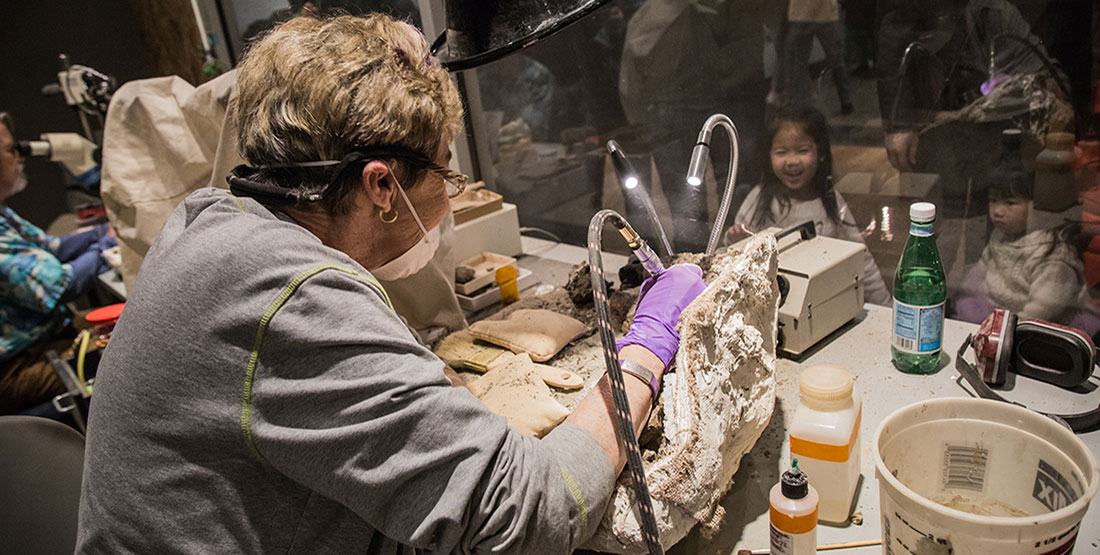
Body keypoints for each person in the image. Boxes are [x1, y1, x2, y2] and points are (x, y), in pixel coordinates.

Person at [77, 14, 707, 553]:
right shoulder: (289, 299)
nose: (450, 193)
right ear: (381, 186)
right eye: (444, 172)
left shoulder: (207, 218)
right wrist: (643, 352)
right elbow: (538, 513)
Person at [0, 112, 117, 415]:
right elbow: (59, 284)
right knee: (129, 344)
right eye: (12, 149)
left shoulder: (3, 215)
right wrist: (109, 245)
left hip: (47, 335)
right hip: (16, 365)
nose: (20, 157)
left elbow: (53, 247)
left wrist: (107, 229)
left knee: (136, 318)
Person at [726, 104, 891, 305]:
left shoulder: (831, 201)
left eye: (802, 150)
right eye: (781, 152)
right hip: (773, 304)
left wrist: (886, 306)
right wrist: (735, 239)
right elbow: (732, 252)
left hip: (826, 301)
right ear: (768, 155)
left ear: (821, 153)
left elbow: (861, 259)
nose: (792, 161)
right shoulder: (760, 198)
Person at [952, 171, 1100, 334]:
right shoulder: (1001, 238)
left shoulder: (1052, 256)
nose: (997, 211)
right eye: (993, 201)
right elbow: (977, 276)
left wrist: (1006, 332)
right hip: (1000, 316)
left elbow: (1041, 311)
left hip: (1038, 330)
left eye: (1010, 203)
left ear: (1035, 209)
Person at [782, 0, 854, 115]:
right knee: (836, 59)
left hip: (802, 15)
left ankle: (802, 103)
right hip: (824, 14)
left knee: (800, 62)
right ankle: (846, 101)